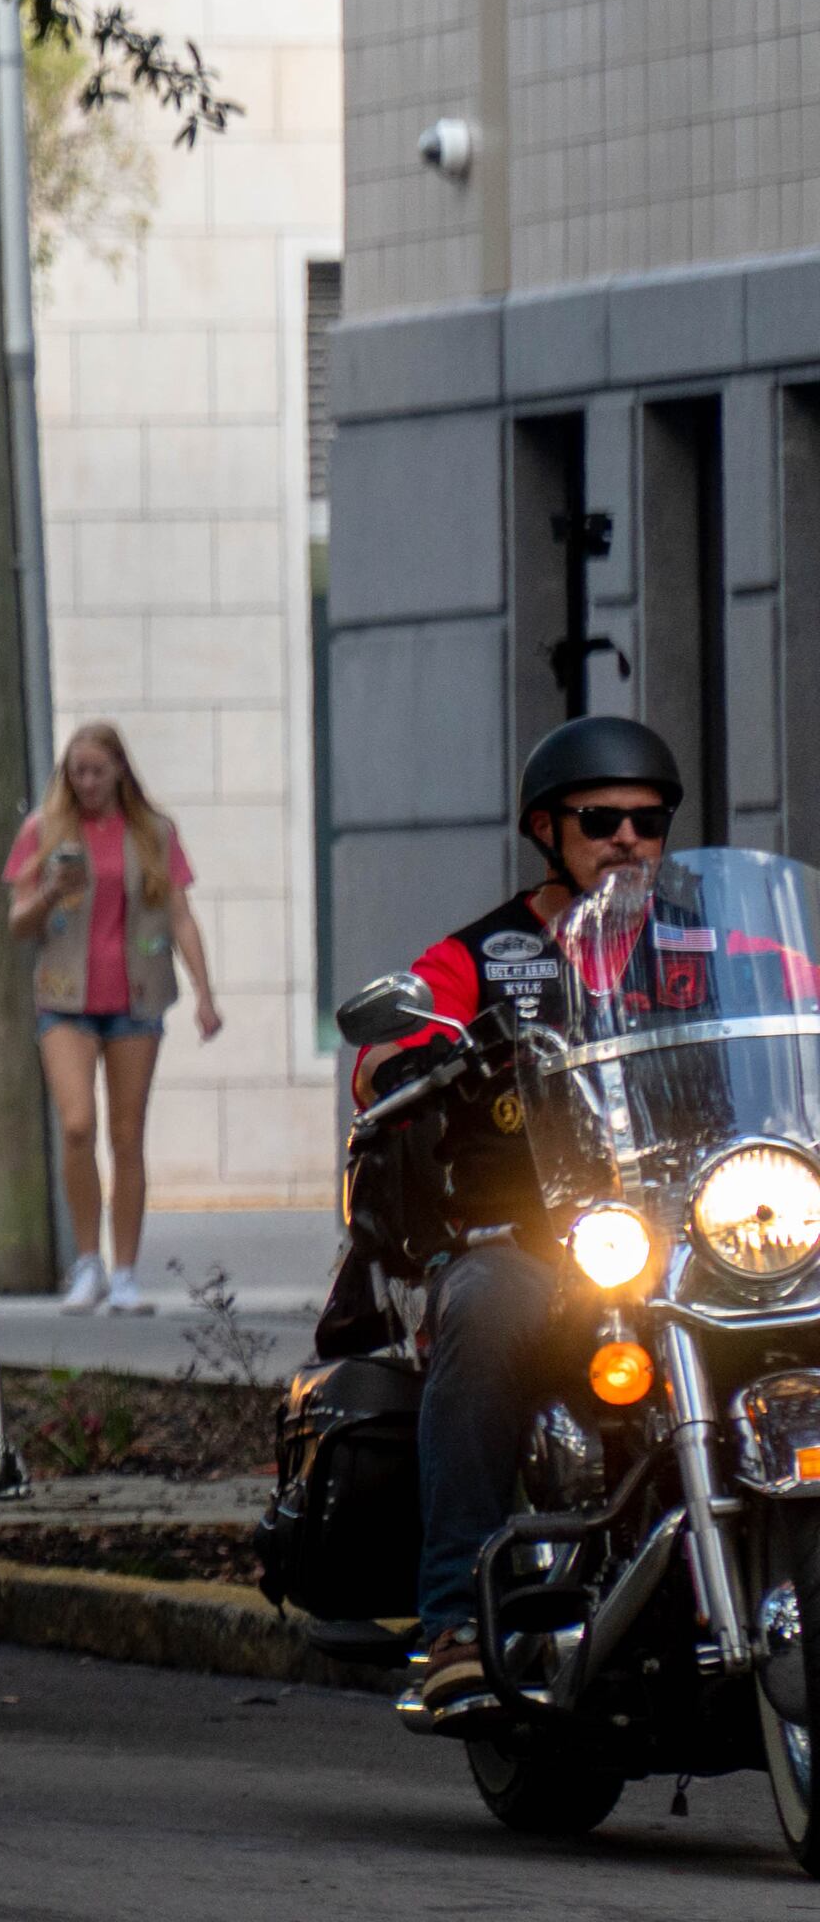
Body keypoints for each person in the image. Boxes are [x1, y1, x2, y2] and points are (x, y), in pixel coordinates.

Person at [364, 716, 681, 1729]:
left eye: (649, 821)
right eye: (603, 820)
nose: (628, 840)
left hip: (694, 1237)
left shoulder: (706, 939)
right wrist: (410, 1059)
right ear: (548, 828)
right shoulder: (485, 954)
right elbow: (386, 1053)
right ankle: (454, 1623)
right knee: (487, 1311)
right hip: (532, 1239)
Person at [6, 721, 222, 1317]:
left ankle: (125, 1272)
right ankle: (86, 1263)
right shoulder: (43, 832)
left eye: (99, 770)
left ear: (121, 770)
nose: (89, 782)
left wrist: (204, 992)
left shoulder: (154, 832)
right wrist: (49, 890)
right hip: (64, 999)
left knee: (128, 1137)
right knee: (78, 1125)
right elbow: (17, 923)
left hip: (136, 998)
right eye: (78, 772)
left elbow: (180, 915)